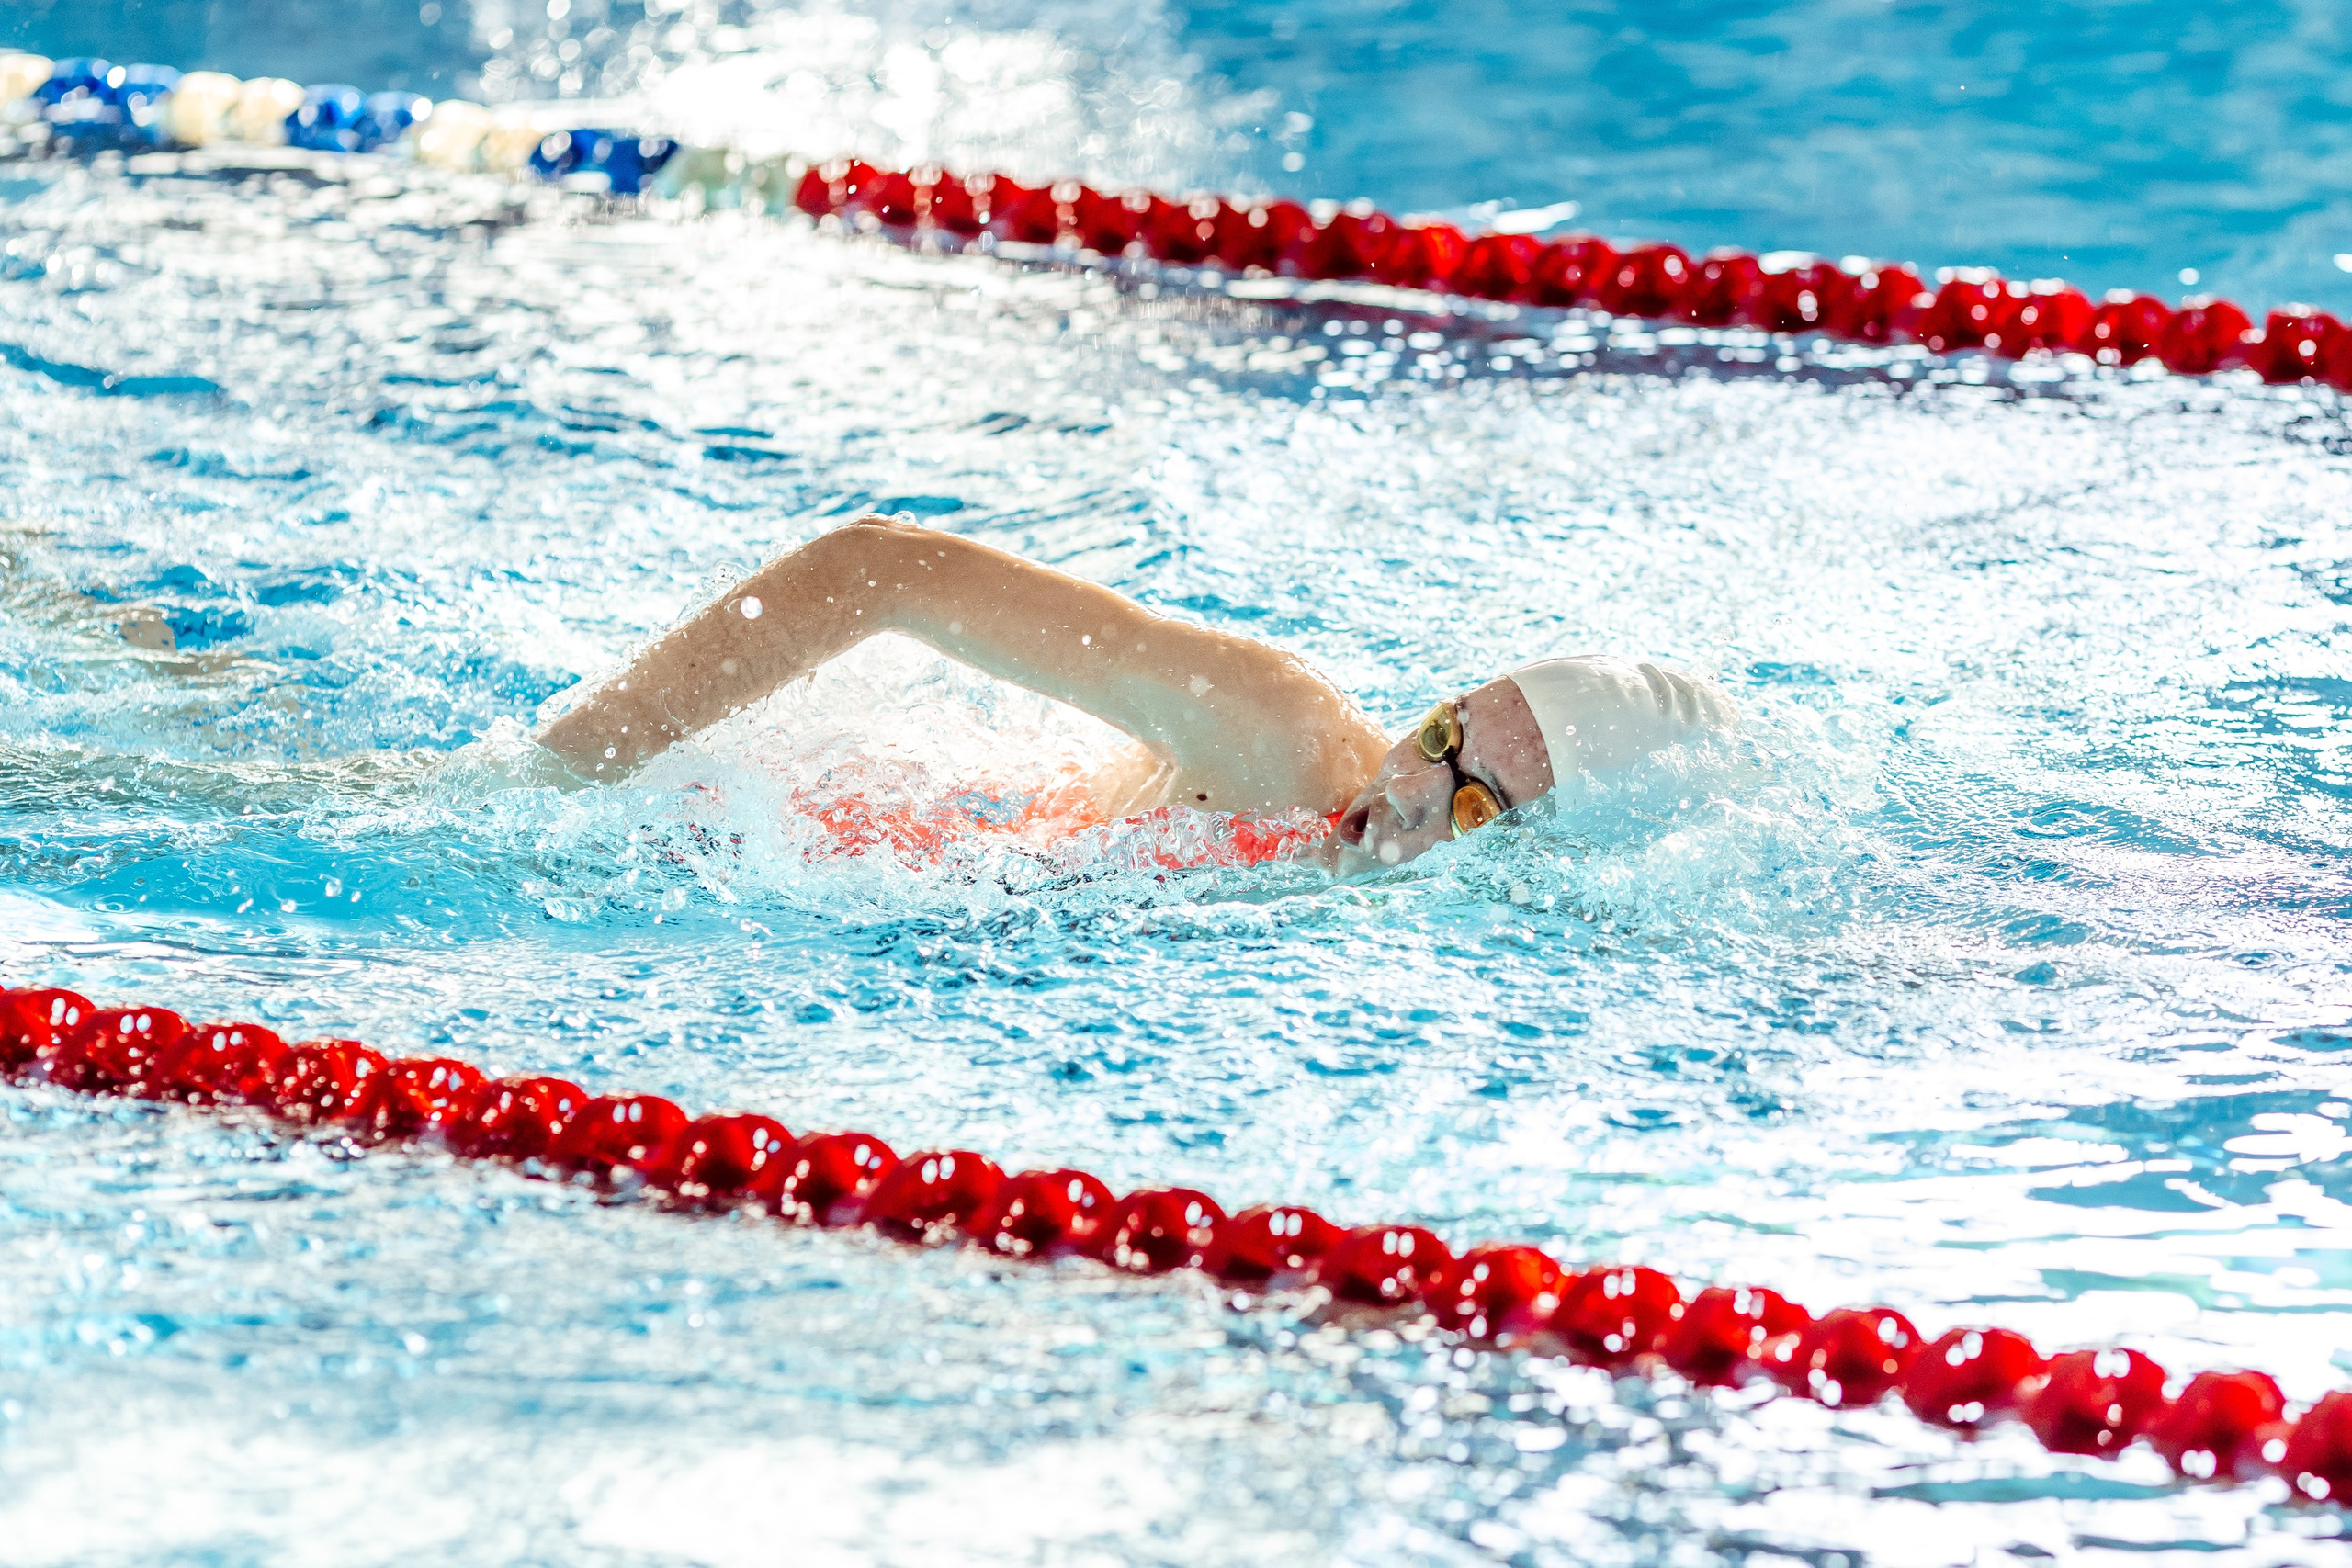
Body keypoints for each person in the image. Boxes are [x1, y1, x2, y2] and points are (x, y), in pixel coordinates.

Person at [535, 515, 1736, 874]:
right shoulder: (1272, 733)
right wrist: (569, 765)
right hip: (734, 834)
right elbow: (881, 568)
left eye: (1475, 807)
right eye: (1438, 734)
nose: (1410, 790)